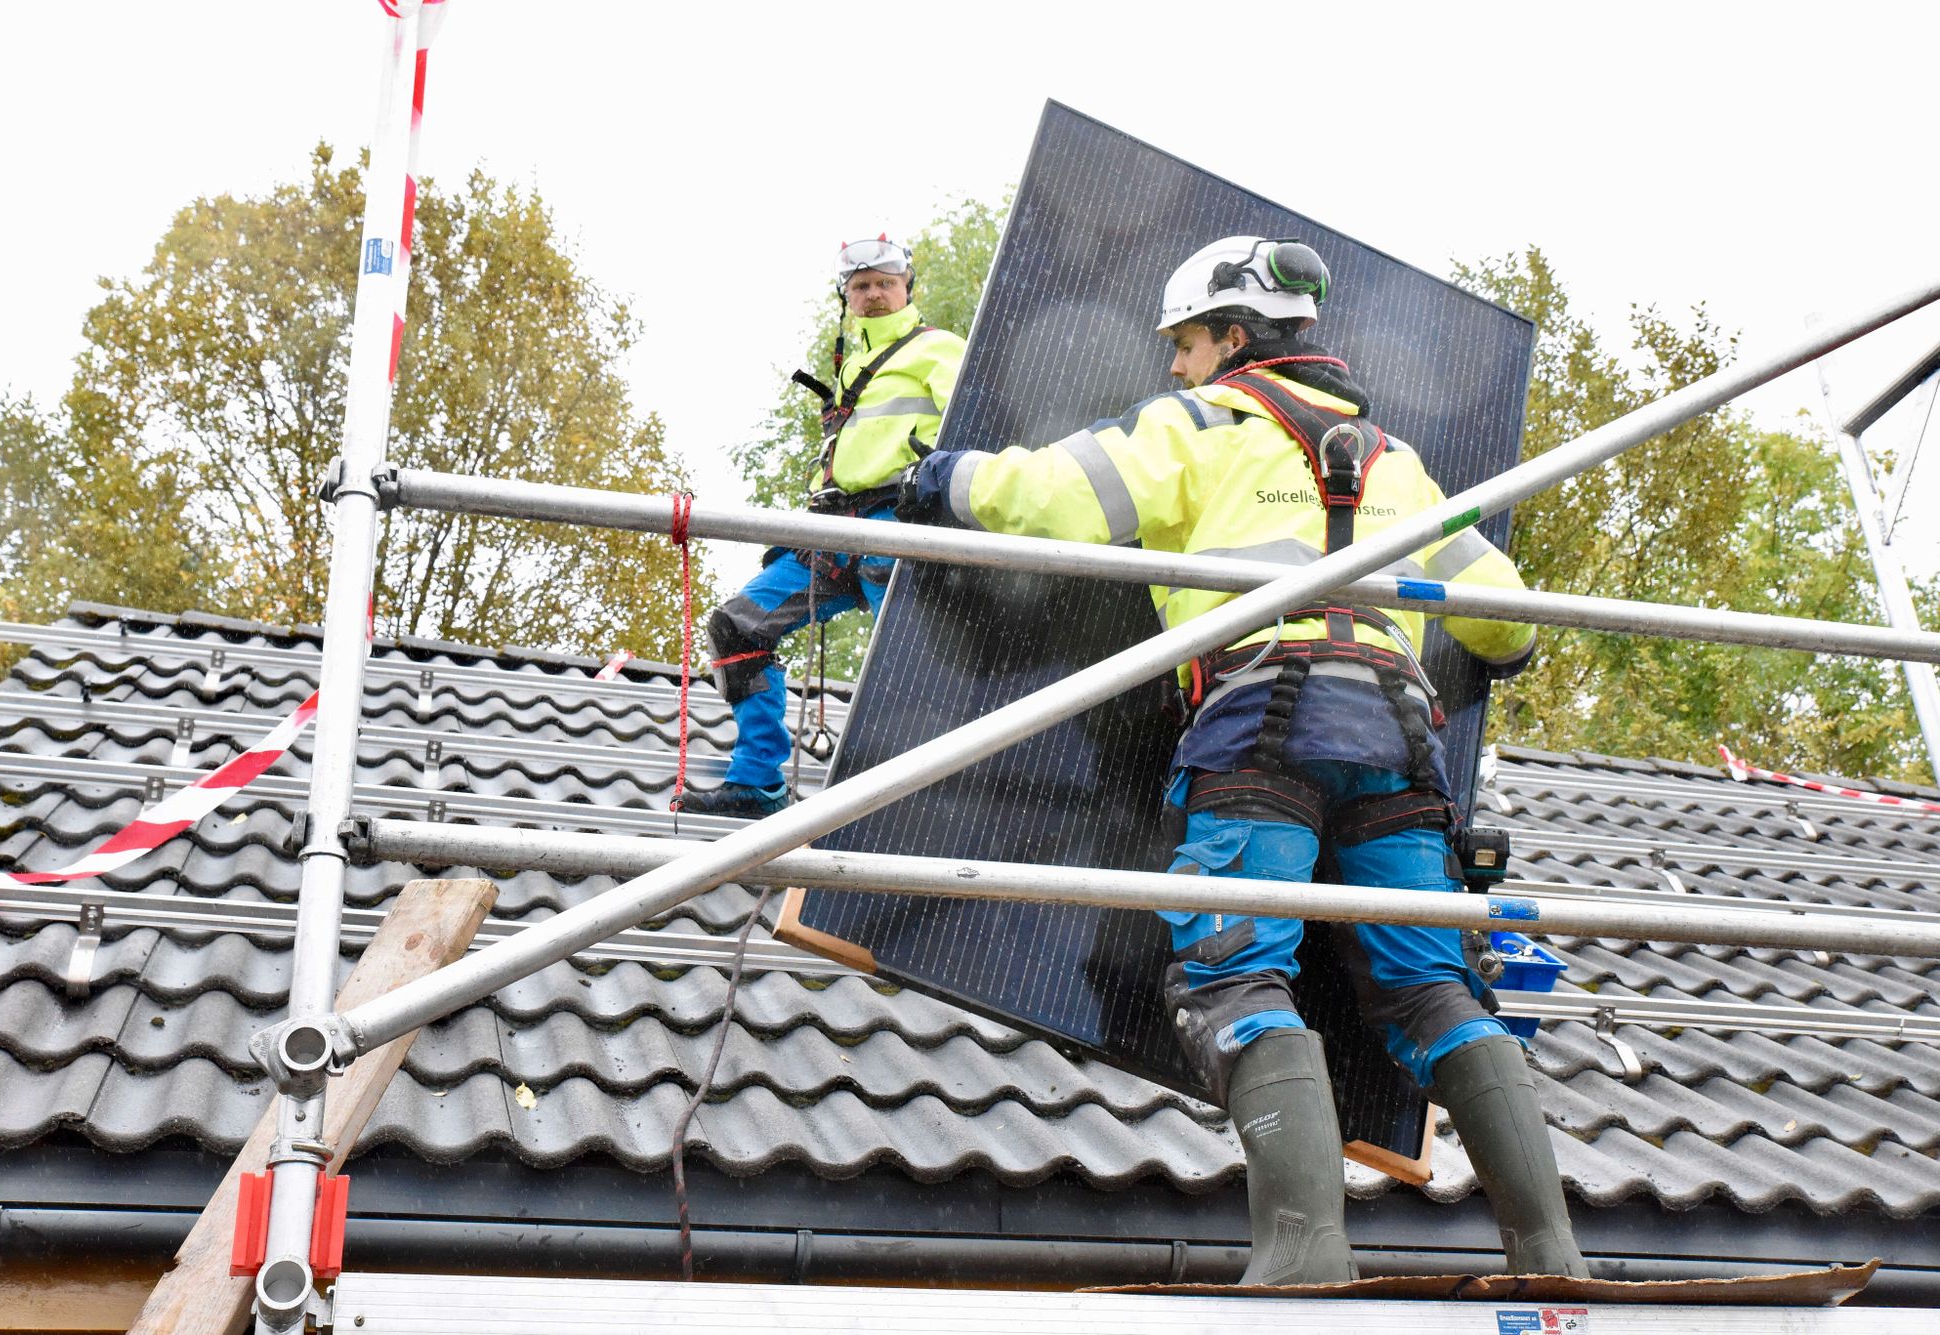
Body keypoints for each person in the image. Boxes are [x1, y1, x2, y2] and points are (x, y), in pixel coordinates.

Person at [898, 237, 1588, 1284]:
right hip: (1400, 742)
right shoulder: (1395, 459)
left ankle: (1304, 1257)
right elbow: (1503, 619)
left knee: (1232, 969)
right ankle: (1550, 1254)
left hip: (1265, 719)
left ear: (1231, 337)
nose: (1172, 365)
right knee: (1427, 989)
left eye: (1183, 343)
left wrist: (942, 478)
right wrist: (1514, 649)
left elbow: (1051, 500)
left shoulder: (1204, 423)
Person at [677, 236, 967, 818]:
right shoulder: (850, 365)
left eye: (885, 283)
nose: (874, 294)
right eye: (861, 286)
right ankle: (757, 782)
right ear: (847, 297)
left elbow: (973, 429)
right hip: (836, 532)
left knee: (914, 661)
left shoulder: (941, 350)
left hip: (900, 524)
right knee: (737, 628)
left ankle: (935, 795)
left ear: (908, 286)